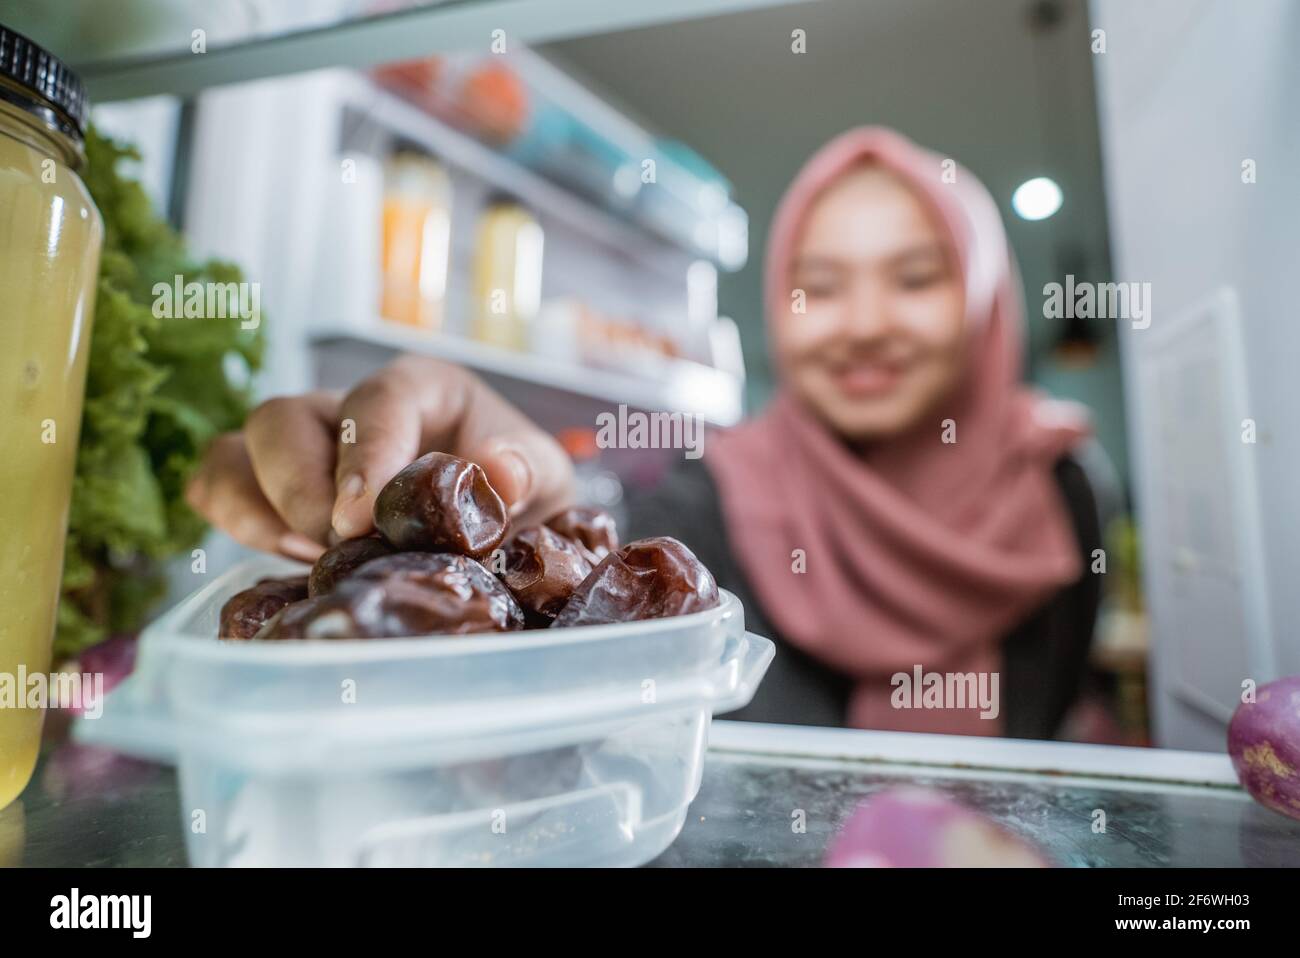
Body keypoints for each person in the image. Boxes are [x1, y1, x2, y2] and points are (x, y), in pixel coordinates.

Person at [188, 127, 1101, 739]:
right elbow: (590, 541)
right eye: (819, 286)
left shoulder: (1058, 490)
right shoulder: (716, 493)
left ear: (985, 298)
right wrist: (493, 506)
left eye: (913, 277)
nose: (862, 322)